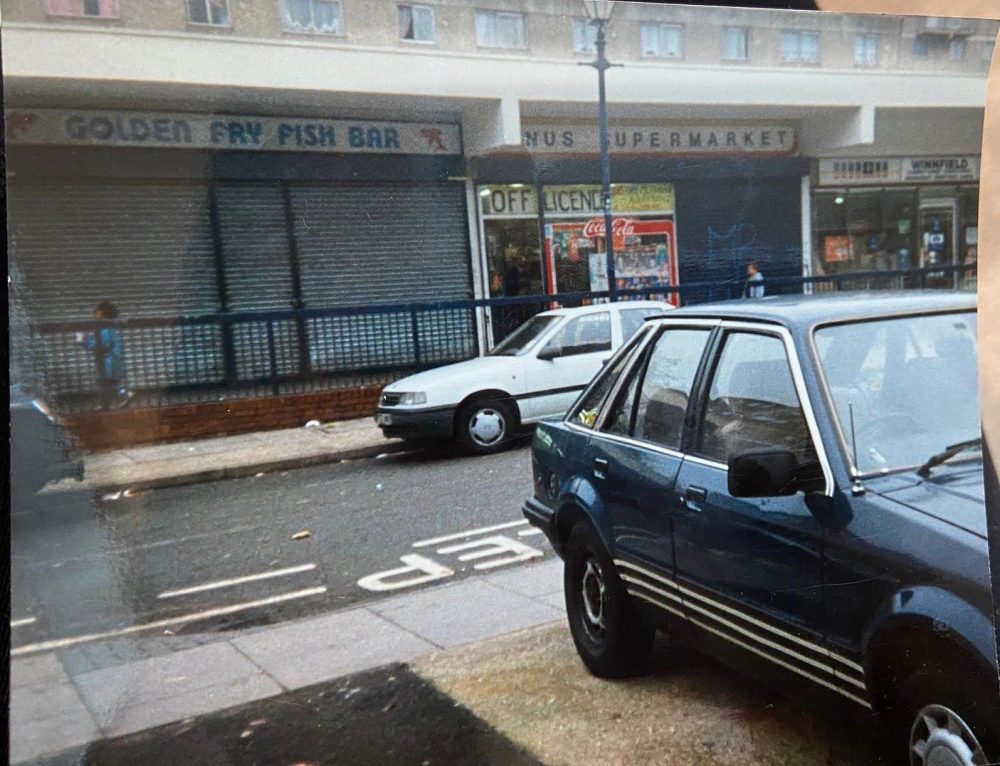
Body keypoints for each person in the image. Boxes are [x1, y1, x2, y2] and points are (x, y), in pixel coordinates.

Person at [76, 301, 132, 409]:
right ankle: (107, 403)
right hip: (110, 361)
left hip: (108, 362)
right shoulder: (108, 327)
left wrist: (84, 341)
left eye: (96, 311)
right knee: (109, 384)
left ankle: (115, 399)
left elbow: (102, 345)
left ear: (101, 313)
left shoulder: (105, 328)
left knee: (104, 383)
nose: (93, 313)